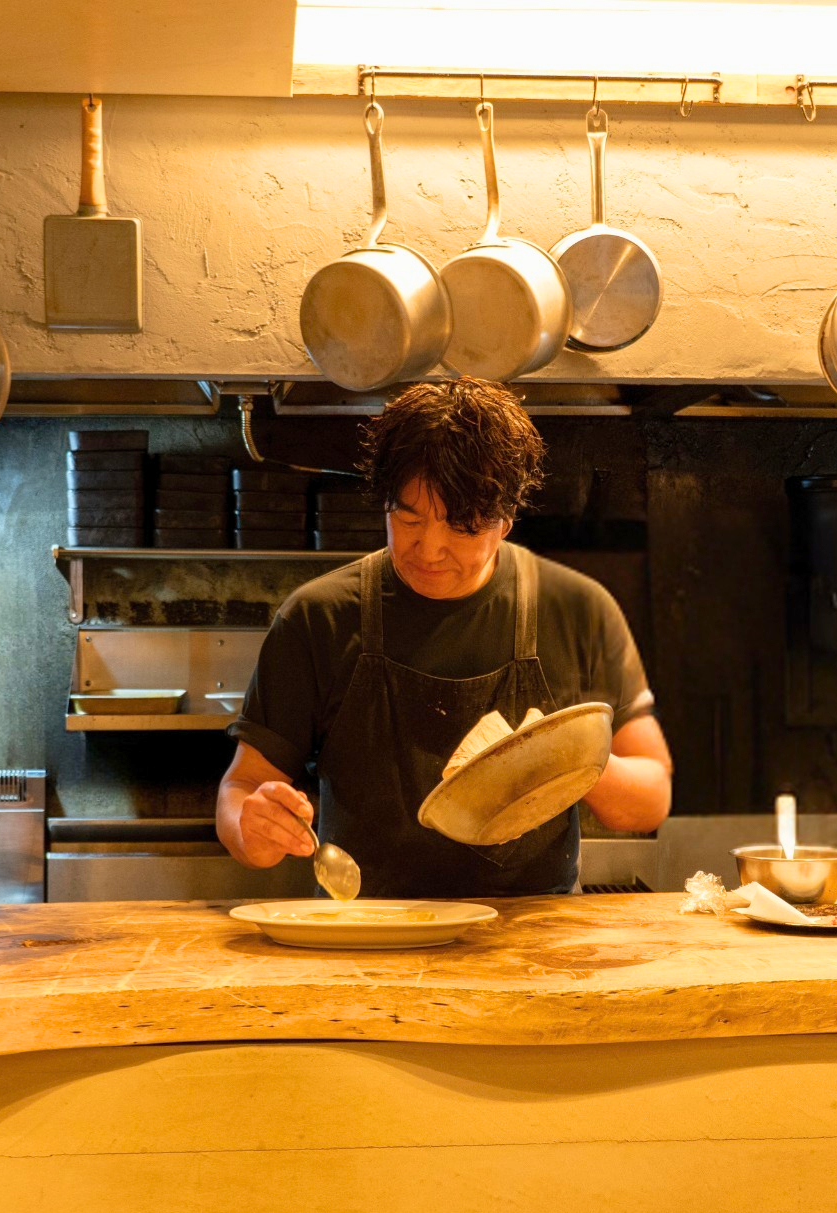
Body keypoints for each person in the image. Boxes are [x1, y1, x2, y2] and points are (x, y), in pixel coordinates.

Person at [215, 377, 672, 897]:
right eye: (407, 518)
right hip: (365, 937)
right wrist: (251, 828)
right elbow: (241, 787)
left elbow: (649, 796)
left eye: (462, 527)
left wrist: (566, 759)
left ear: (505, 520)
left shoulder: (578, 611)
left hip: (533, 945)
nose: (428, 549)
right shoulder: (317, 618)